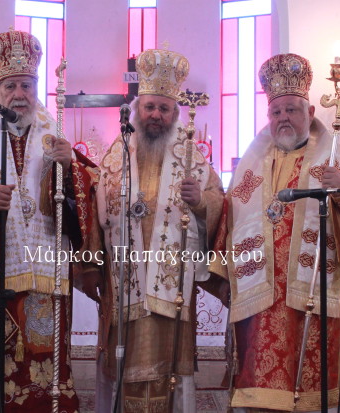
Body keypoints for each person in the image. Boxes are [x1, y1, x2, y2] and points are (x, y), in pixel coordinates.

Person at [210, 53, 340, 412]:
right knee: (259, 394)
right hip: (259, 305)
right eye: (276, 111)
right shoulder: (251, 165)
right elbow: (228, 219)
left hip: (311, 302)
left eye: (291, 110)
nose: (283, 118)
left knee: (308, 395)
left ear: (309, 113)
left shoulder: (337, 161)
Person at [0, 29, 98, 412]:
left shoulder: (53, 136)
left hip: (44, 280)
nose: (19, 94)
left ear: (36, 88)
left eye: (26, 85)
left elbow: (90, 188)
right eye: (10, 86)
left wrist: (69, 169)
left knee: (42, 377)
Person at [82, 48, 225, 412]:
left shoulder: (192, 157)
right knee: (123, 364)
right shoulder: (115, 155)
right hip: (123, 285)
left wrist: (200, 201)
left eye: (164, 108)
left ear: (175, 114)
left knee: (167, 367)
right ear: (137, 110)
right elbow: (96, 211)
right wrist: (92, 264)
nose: (156, 115)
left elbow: (219, 203)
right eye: (149, 107)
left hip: (170, 293)